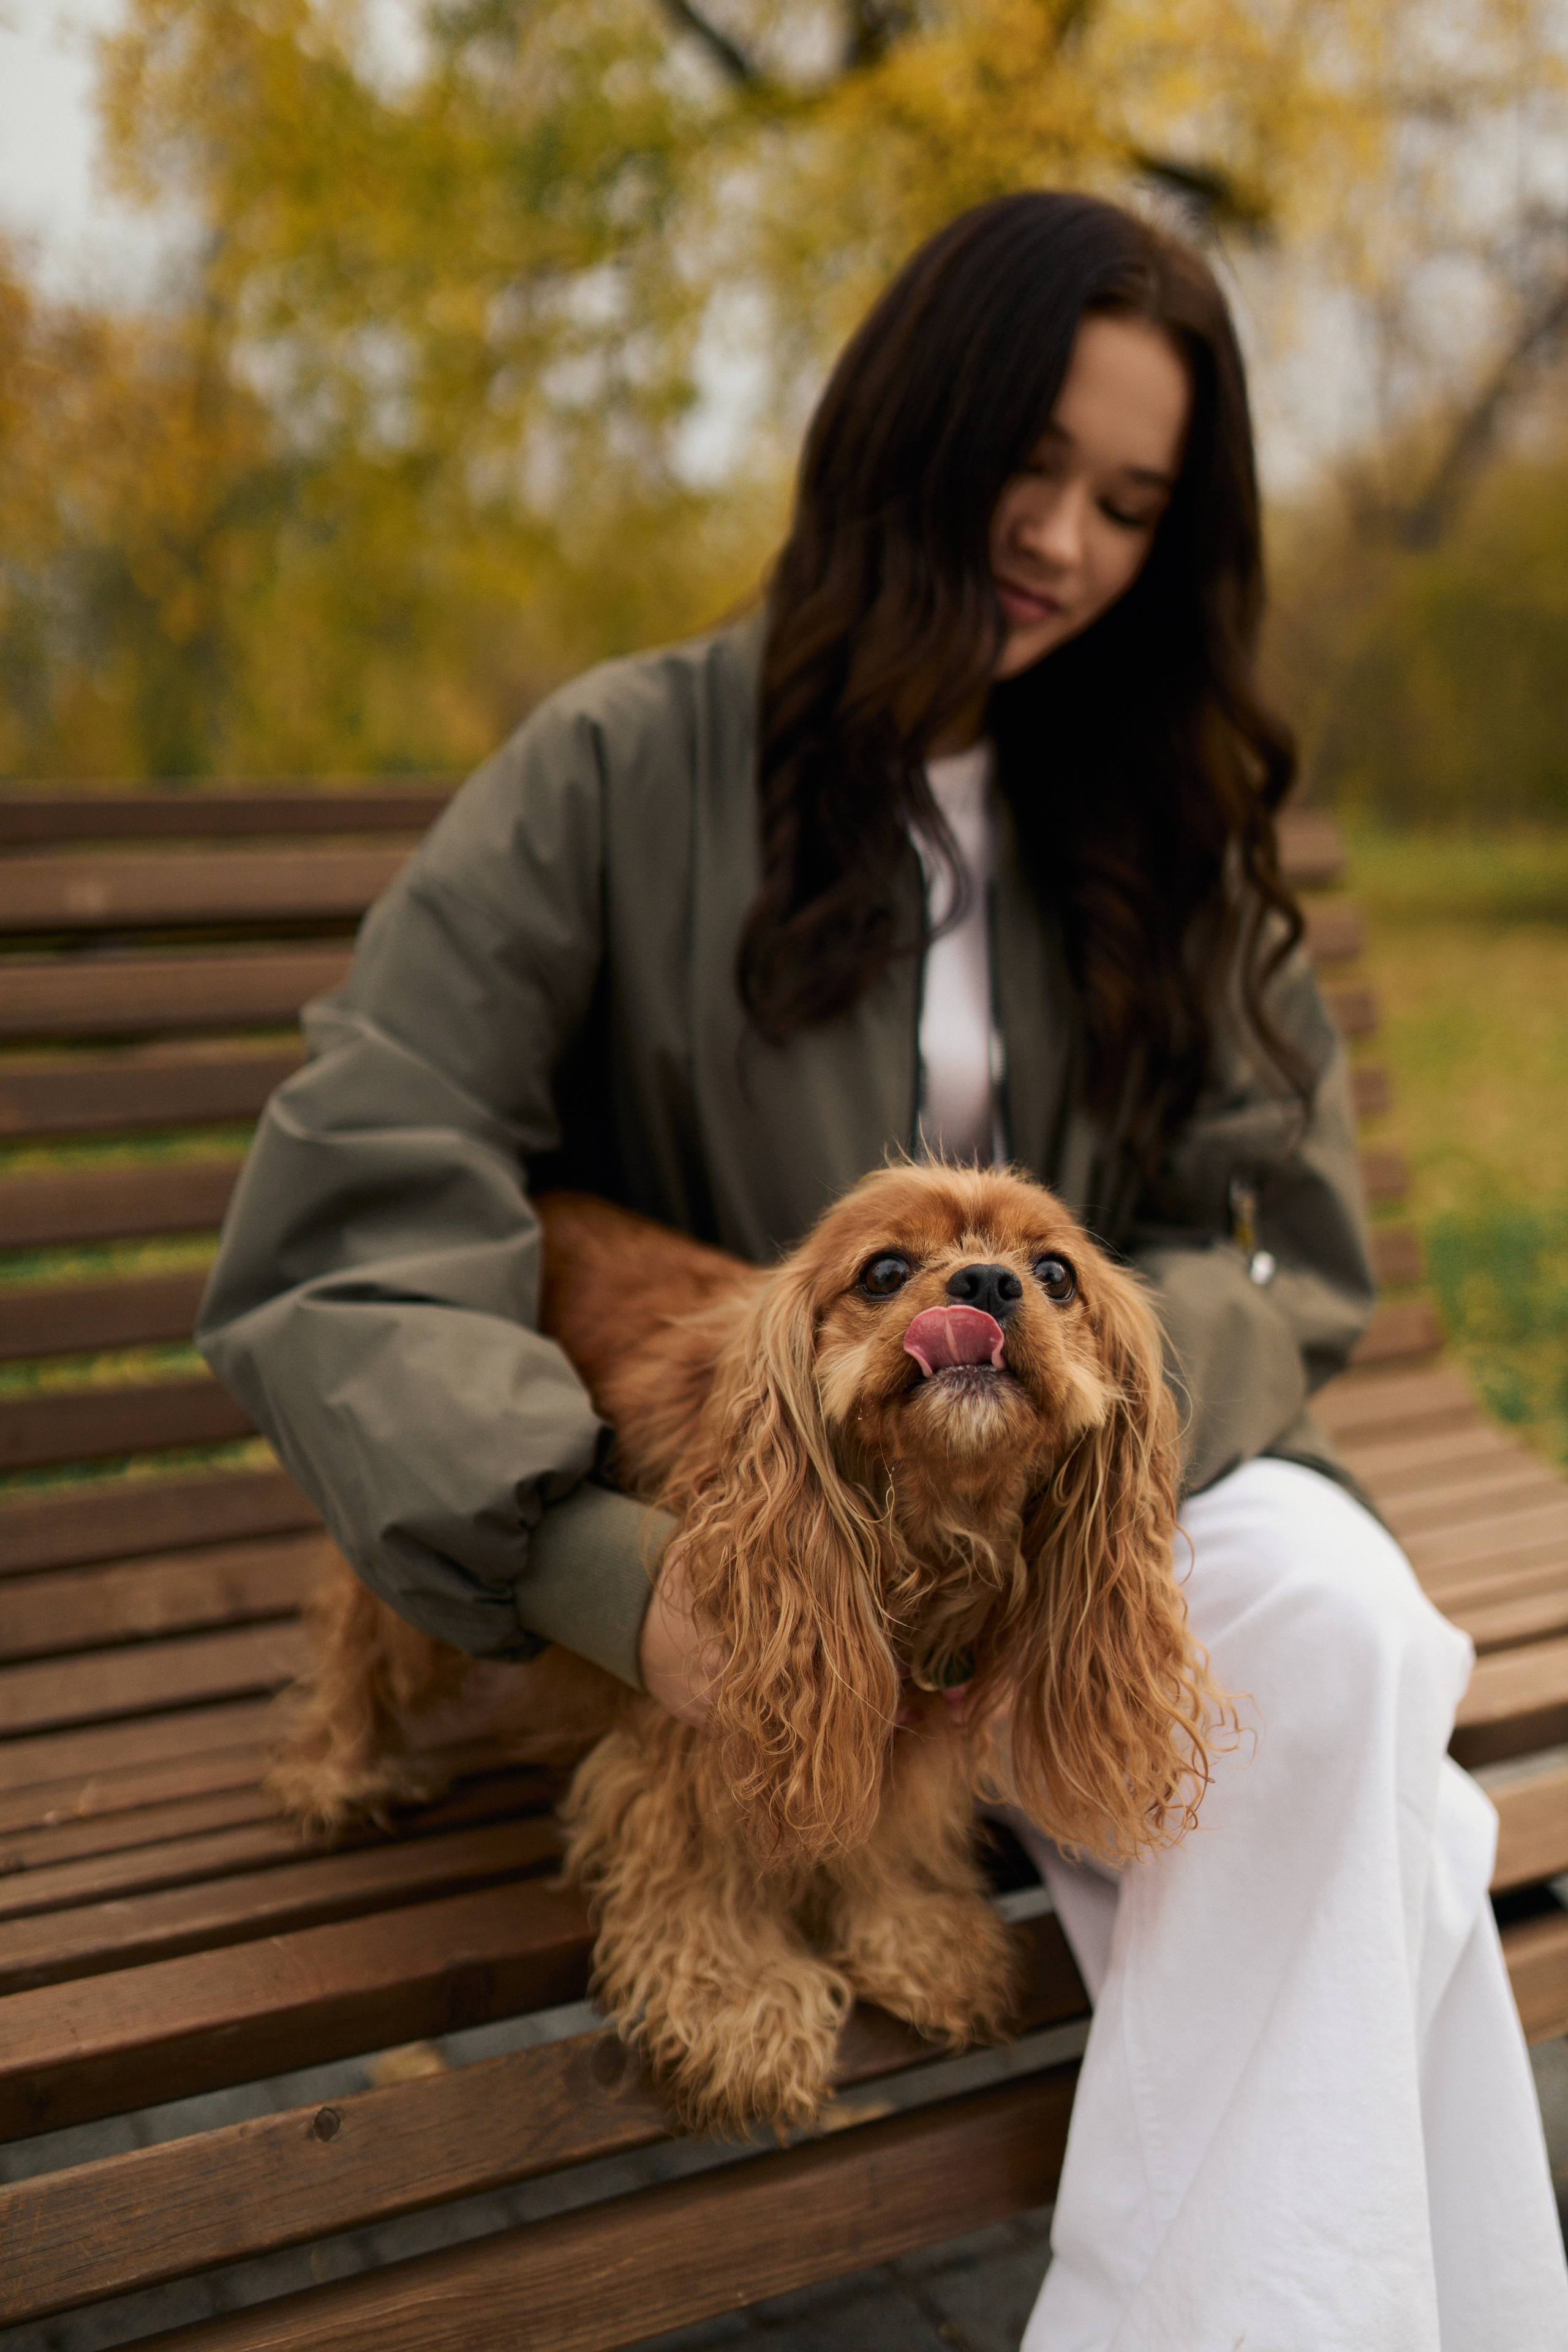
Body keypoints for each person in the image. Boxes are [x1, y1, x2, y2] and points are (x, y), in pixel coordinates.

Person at [198, 192, 1567, 2348]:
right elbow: (361, 1189)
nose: (1069, 543)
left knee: (1356, 1647)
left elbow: (1273, 1237)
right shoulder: (621, 770)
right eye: (1030, 465)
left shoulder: (1157, 814)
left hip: (1104, 1510)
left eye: (1132, 504)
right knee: (1379, 1816)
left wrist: (1095, 1413)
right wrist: (607, 1580)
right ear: (899, 434)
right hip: (777, 1555)